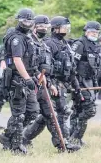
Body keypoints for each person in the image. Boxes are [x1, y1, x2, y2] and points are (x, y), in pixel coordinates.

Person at [22, 15, 80, 152]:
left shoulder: (65, 44)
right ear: (55, 29)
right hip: (51, 83)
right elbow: (44, 66)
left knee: (49, 115)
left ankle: (25, 137)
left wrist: (75, 84)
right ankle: (63, 143)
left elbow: (71, 67)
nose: (66, 30)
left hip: (62, 84)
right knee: (58, 112)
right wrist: (49, 84)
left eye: (67, 28)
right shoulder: (49, 43)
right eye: (64, 27)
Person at [0, 8, 38, 154]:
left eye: (30, 21)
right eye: (24, 21)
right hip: (17, 80)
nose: (27, 24)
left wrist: (35, 76)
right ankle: (16, 146)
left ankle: (6, 136)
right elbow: (17, 60)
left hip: (27, 79)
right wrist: (27, 78)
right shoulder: (16, 38)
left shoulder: (28, 37)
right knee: (19, 115)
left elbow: (30, 61)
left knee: (33, 112)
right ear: (19, 20)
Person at [68, 21, 101, 146]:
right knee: (89, 110)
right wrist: (74, 83)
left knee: (78, 110)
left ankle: (73, 137)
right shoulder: (79, 44)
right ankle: (76, 137)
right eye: (92, 32)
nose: (94, 34)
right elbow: (72, 65)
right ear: (86, 31)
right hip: (79, 82)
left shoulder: (94, 45)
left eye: (96, 32)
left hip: (90, 82)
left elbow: (95, 67)